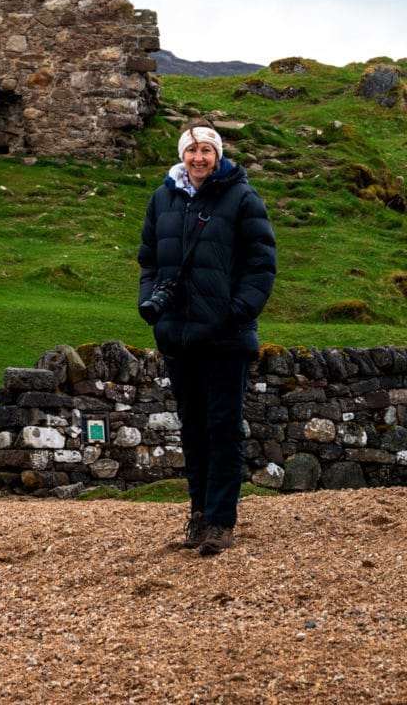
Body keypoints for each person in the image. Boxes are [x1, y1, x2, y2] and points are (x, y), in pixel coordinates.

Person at [137, 123, 276, 557]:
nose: (199, 158)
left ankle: (221, 522)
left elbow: (261, 266)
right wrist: (151, 306)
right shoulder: (163, 198)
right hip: (179, 336)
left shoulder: (242, 198)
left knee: (223, 428)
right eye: (192, 150)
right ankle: (198, 514)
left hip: (225, 338)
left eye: (206, 150)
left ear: (218, 154)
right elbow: (148, 261)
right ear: (183, 155)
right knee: (193, 429)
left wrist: (235, 315)